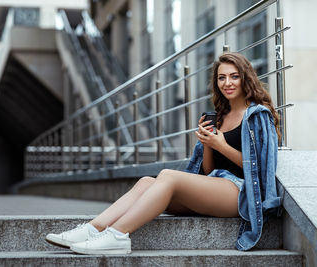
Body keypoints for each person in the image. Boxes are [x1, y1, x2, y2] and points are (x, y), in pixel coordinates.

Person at [45, 52, 281, 254]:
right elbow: (208, 171)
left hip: (242, 193)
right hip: (216, 185)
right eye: (221, 77)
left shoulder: (258, 116)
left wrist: (222, 146)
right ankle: (92, 229)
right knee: (147, 181)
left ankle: (117, 236)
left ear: (245, 78)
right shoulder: (219, 117)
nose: (227, 83)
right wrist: (207, 143)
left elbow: (260, 169)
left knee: (168, 175)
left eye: (234, 76)